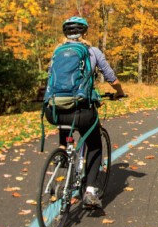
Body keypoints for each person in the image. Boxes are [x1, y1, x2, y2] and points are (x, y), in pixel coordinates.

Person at [47, 15, 123, 212]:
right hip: (82, 110)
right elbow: (110, 77)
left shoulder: (57, 52)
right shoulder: (92, 51)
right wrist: (120, 92)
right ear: (84, 33)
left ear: (65, 33)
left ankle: (63, 152)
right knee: (95, 145)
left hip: (54, 109)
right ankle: (89, 190)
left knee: (65, 125)